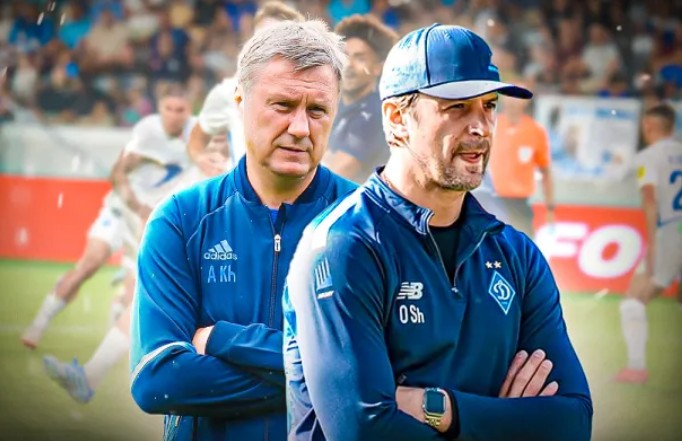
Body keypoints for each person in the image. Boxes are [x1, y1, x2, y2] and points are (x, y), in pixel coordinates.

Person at [284, 24, 592, 441]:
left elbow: (572, 421)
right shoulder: (344, 246)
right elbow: (363, 430)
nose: (481, 127)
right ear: (397, 119)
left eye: (489, 106)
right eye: (457, 108)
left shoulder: (517, 254)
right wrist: (508, 422)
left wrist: (442, 409)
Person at [129, 20, 354, 441]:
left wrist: (225, 339)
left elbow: (393, 370)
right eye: (283, 105)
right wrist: (329, 378)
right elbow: (157, 381)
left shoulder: (370, 224)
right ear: (239, 101)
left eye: (317, 110)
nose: (300, 128)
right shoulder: (181, 220)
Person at [40, 84, 198, 403]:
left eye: (180, 109)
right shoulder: (157, 135)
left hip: (201, 227)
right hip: (168, 223)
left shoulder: (206, 137)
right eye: (169, 109)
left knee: (165, 306)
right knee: (143, 298)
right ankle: (91, 375)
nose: (174, 116)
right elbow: (121, 170)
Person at [186, 1, 305, 177]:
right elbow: (197, 137)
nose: (267, 47)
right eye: (261, 39)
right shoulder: (229, 92)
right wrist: (200, 158)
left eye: (277, 40)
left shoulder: (311, 93)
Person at [616, 103, 682, 384]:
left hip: (670, 232)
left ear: (649, 126)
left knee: (633, 301)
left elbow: (650, 199)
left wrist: (654, 244)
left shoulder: (648, 157)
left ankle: (636, 368)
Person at [322, 14, 397, 183]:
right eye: (345, 56)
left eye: (360, 58)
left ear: (378, 68)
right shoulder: (333, 104)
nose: (349, 65)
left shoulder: (376, 113)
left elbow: (338, 172)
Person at [487, 88, 555, 238]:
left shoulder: (535, 131)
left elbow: (545, 171)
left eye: (517, 97)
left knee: (522, 246)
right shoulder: (490, 125)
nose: (513, 101)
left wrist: (550, 207)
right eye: (509, 96)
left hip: (519, 204)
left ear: (525, 102)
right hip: (490, 201)